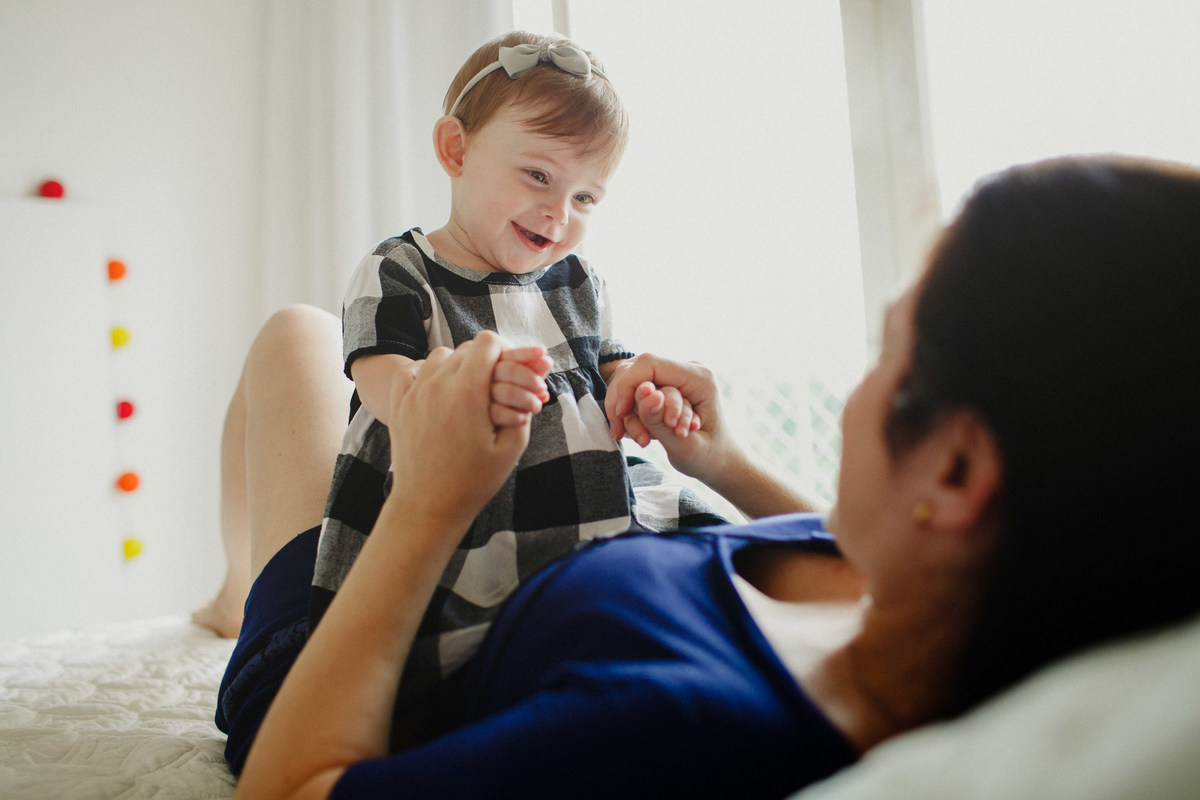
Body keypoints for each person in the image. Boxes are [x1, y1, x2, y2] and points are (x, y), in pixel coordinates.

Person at [210, 153, 1200, 800]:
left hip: (357, 650)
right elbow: (855, 535)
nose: (859, 390)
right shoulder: (939, 591)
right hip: (523, 562)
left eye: (887, 350)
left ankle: (239, 604)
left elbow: (292, 787)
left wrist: (429, 502)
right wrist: (720, 460)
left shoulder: (673, 728)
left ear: (953, 465)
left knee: (294, 337)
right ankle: (227, 587)